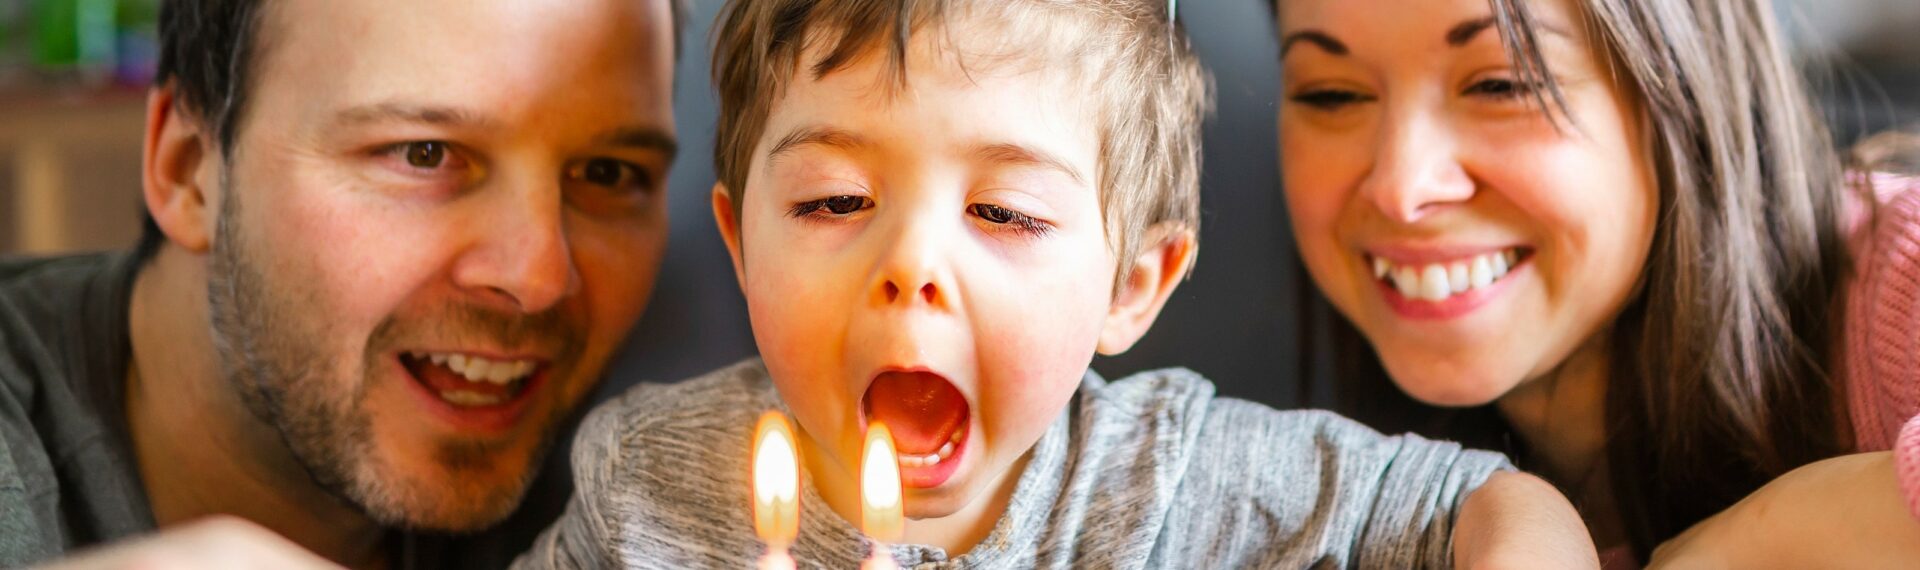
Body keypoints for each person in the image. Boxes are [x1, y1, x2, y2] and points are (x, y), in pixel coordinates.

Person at [515, 1, 1599, 567]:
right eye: (835, 202)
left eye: (1005, 214)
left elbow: (1488, 506)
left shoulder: (1179, 473)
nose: (910, 270)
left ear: (1133, 284)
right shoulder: (650, 478)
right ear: (742, 248)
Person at [0, 0, 682, 567]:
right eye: (425, 154)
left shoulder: (628, 507)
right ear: (187, 170)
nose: (538, 277)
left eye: (607, 174)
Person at [1272, 0, 1920, 565]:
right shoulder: (1332, 505)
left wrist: (1764, 540)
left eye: (1500, 84)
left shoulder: (1900, 270)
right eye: (1331, 93)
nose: (1400, 188)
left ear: (1685, 77)